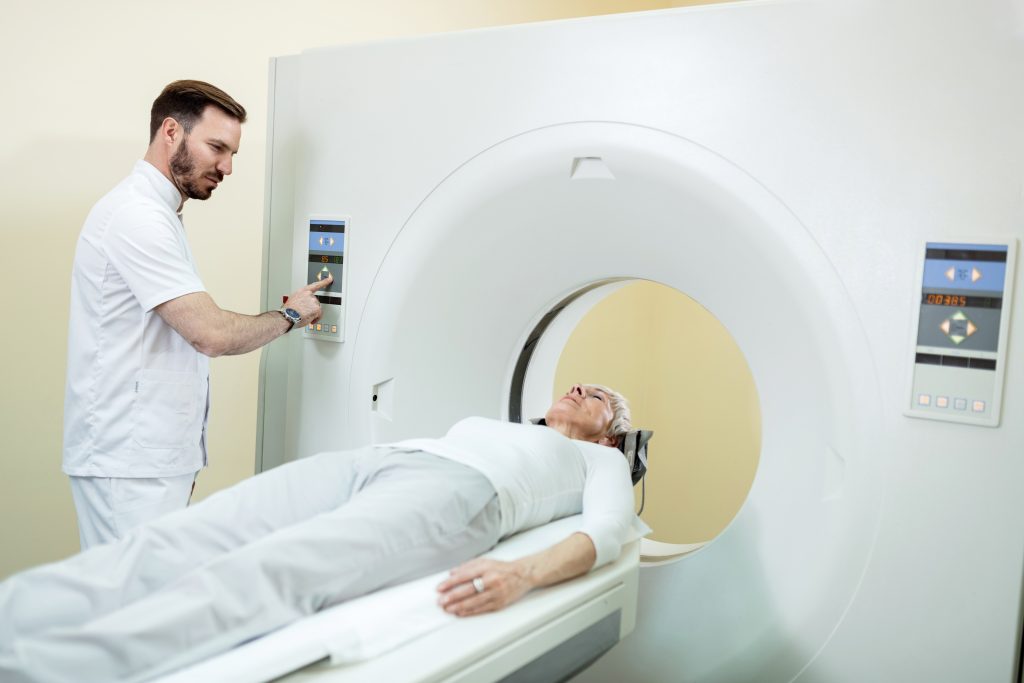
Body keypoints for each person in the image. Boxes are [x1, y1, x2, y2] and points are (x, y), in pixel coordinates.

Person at [0, 384, 637, 683]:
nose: (578, 387)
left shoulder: (600, 460)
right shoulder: (505, 423)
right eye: (577, 382)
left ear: (609, 435)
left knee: (265, 573)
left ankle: (39, 671)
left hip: (459, 498)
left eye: (598, 395)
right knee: (182, 535)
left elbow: (610, 530)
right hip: (380, 461)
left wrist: (523, 573)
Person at [63, 80, 333, 549]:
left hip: (149, 461)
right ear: (171, 131)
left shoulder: (160, 213)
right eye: (216, 148)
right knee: (136, 610)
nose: (226, 167)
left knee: (145, 603)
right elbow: (209, 334)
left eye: (232, 153)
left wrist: (181, 460)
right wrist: (290, 315)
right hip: (130, 463)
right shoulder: (138, 216)